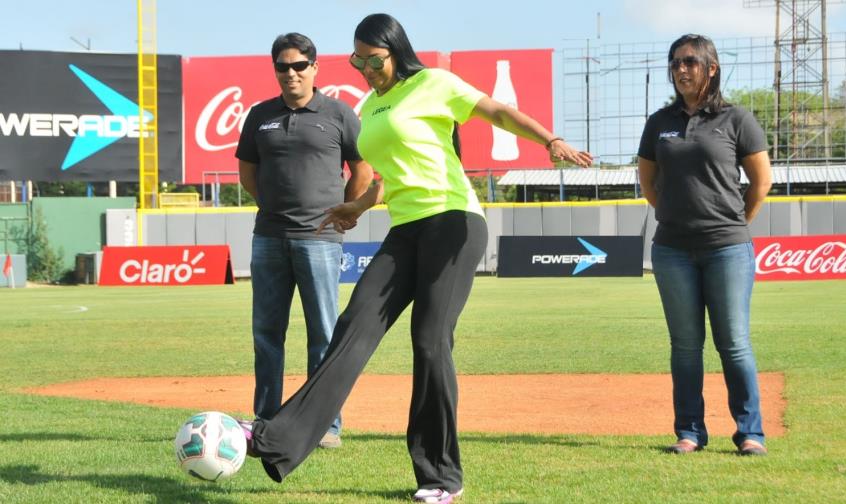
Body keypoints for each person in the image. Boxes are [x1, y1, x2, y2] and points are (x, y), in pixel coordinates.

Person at [239, 13, 592, 503]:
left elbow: (497, 111)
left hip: (453, 222)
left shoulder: (434, 84)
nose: (366, 69)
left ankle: (441, 477)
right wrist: (357, 206)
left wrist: (548, 139)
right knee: (352, 327)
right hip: (405, 229)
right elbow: (389, 176)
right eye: (358, 60)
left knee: (429, 342)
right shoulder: (370, 106)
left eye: (374, 60)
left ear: (396, 51)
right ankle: (275, 438)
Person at [637, 34, 773, 456]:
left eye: (690, 62)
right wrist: (677, 218)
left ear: (711, 68)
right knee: (684, 347)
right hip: (672, 250)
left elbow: (761, 182)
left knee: (734, 343)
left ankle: (750, 433)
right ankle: (690, 432)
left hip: (727, 248)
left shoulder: (737, 118)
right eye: (675, 62)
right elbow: (648, 184)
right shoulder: (659, 123)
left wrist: (732, 224)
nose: (681, 69)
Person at [236, 32, 373, 449]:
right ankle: (265, 420)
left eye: (299, 65)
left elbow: (363, 170)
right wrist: (271, 205)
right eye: (283, 66)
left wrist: (346, 211)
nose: (291, 73)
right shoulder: (260, 116)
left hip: (320, 240)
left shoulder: (339, 114)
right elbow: (247, 173)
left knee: (324, 335)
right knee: (266, 334)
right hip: (268, 238)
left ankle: (325, 426)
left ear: (314, 67)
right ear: (275, 69)